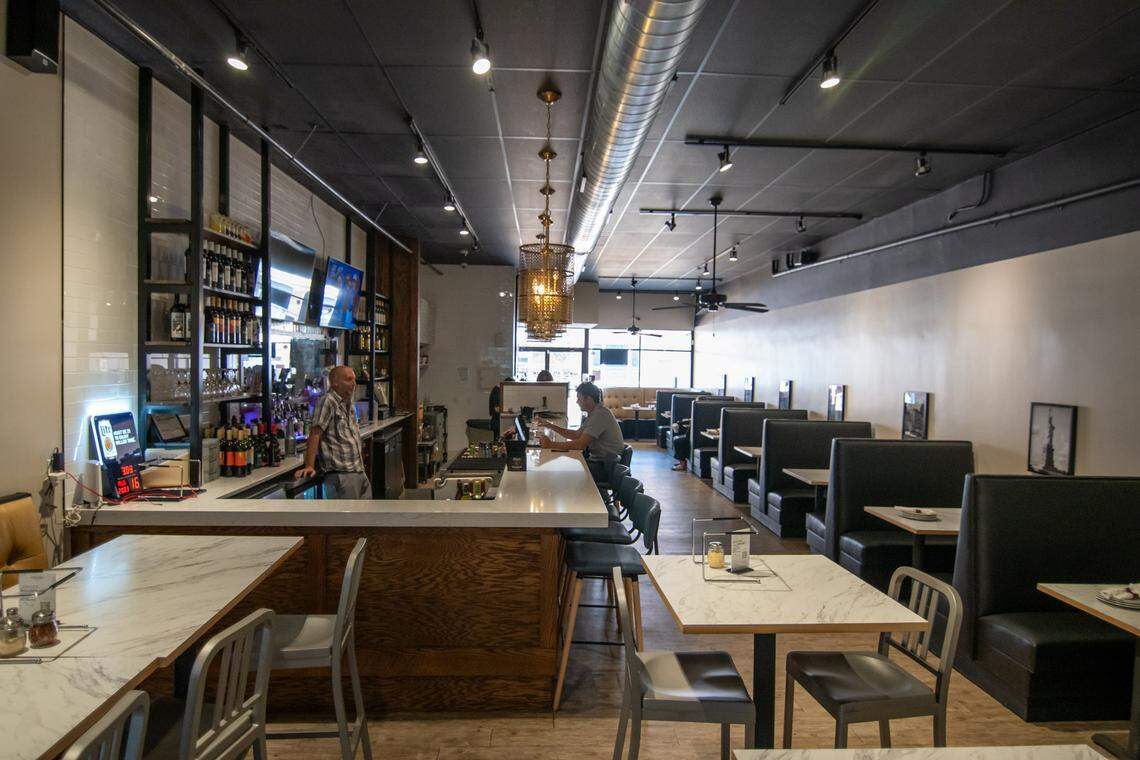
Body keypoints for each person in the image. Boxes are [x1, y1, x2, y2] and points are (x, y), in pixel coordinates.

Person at [296, 365, 370, 498]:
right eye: (349, 379)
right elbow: (315, 434)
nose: (353, 383)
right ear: (335, 382)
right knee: (347, 513)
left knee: (366, 511)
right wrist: (309, 466)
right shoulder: (327, 401)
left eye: (354, 379)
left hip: (358, 470)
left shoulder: (348, 402)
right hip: (341, 475)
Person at [538, 382, 624, 482]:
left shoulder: (599, 415)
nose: (577, 402)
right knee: (562, 466)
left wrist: (550, 445)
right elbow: (576, 435)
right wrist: (549, 425)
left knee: (562, 470)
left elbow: (580, 445)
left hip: (604, 467)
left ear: (588, 399)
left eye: (579, 398)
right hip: (601, 463)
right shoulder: (595, 413)